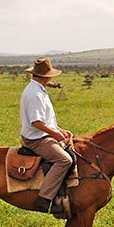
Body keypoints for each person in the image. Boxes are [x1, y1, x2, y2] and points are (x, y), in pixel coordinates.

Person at [20, 57, 73, 214]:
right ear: (47, 76)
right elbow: (36, 122)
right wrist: (55, 134)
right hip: (36, 139)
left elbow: (45, 120)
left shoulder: (38, 89)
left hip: (42, 134)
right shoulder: (35, 93)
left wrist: (60, 130)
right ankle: (44, 199)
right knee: (64, 160)